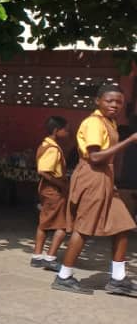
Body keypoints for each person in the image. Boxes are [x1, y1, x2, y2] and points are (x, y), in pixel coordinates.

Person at [52, 85, 137, 296]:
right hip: (93, 176)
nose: (114, 105)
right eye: (109, 101)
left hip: (105, 178)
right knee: (84, 228)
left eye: (118, 102)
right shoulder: (93, 123)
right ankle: (63, 276)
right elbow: (96, 157)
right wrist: (130, 141)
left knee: (122, 225)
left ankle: (118, 279)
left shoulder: (110, 123)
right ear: (98, 101)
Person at [31, 116, 70, 271]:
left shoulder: (45, 144)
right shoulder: (52, 149)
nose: (68, 133)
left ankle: (37, 256)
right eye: (66, 130)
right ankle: (50, 257)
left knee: (44, 223)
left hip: (48, 190)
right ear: (56, 130)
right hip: (53, 191)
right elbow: (44, 171)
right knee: (63, 225)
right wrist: (62, 184)